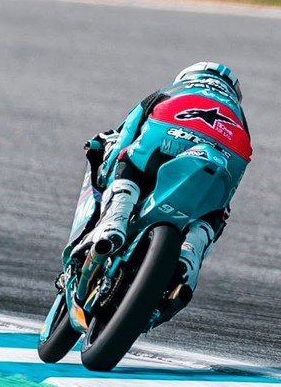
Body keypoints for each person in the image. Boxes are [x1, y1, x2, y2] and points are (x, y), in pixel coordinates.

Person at [65, 62, 252, 329]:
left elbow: (126, 133)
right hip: (229, 148)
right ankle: (190, 256)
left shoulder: (172, 90)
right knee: (215, 212)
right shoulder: (238, 115)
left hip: (170, 126)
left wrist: (106, 157)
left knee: (128, 159)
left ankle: (115, 220)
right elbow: (232, 183)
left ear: (189, 76)